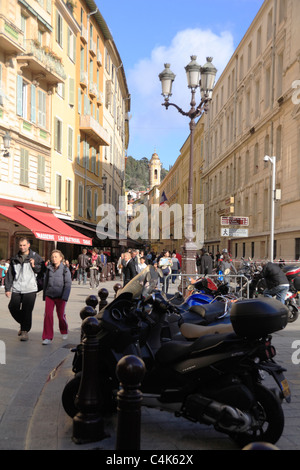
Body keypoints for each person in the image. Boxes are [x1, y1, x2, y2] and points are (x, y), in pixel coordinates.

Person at [5, 237, 45, 341]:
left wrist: (34, 266)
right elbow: (10, 274)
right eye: (20, 245)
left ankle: (24, 331)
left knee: (27, 311)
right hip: (17, 287)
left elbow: (42, 270)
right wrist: (7, 288)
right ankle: (24, 324)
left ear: (28, 245)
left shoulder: (36, 257)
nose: (22, 247)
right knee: (12, 307)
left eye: (24, 245)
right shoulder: (15, 258)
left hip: (30, 288)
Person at [42, 250, 72, 345]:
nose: (54, 258)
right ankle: (47, 337)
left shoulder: (65, 269)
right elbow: (45, 282)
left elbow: (68, 284)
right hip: (49, 295)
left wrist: (65, 297)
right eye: (52, 257)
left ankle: (64, 330)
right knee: (48, 315)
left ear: (60, 258)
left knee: (61, 315)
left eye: (56, 256)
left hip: (61, 296)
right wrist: (45, 295)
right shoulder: (49, 268)